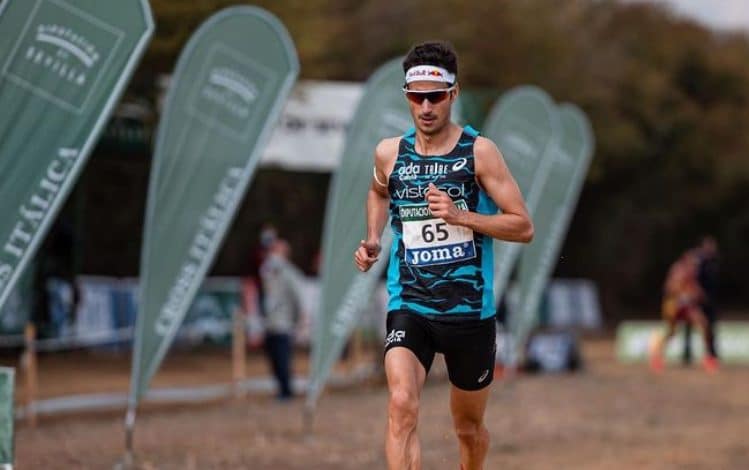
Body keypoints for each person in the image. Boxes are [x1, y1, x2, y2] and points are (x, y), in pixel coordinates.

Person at [353, 41, 533, 470]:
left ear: (453, 94)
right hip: (410, 303)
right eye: (417, 97)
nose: (427, 106)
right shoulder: (389, 153)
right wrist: (373, 237)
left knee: (468, 430)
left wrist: (462, 216)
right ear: (407, 97)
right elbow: (379, 190)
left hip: (469, 311)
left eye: (436, 96)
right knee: (401, 404)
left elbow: (522, 226)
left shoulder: (479, 152)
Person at [649, 249, 718, 373]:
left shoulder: (692, 275)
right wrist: (684, 295)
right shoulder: (678, 271)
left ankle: (709, 358)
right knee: (671, 332)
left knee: (703, 324)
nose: (696, 268)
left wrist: (700, 296)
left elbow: (696, 291)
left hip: (687, 306)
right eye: (694, 264)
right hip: (673, 306)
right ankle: (656, 356)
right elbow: (671, 288)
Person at [260, 238, 302, 401]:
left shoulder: (288, 272)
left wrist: (296, 319)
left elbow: (296, 298)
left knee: (283, 358)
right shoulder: (268, 272)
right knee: (273, 357)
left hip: (283, 323)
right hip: (270, 322)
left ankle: (286, 391)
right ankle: (281, 388)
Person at [681, 236, 719, 365]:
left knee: (708, 327)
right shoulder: (692, 267)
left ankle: (710, 355)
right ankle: (688, 354)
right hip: (694, 302)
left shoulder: (713, 262)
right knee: (692, 327)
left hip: (708, 301)